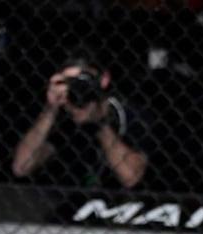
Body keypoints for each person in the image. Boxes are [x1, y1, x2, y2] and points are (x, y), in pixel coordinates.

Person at [12, 51, 151, 189]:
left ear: (103, 79)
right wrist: (50, 109)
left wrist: (100, 124)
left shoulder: (127, 112)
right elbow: (21, 167)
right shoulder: (63, 118)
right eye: (69, 82)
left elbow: (130, 177)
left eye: (82, 80)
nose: (76, 88)